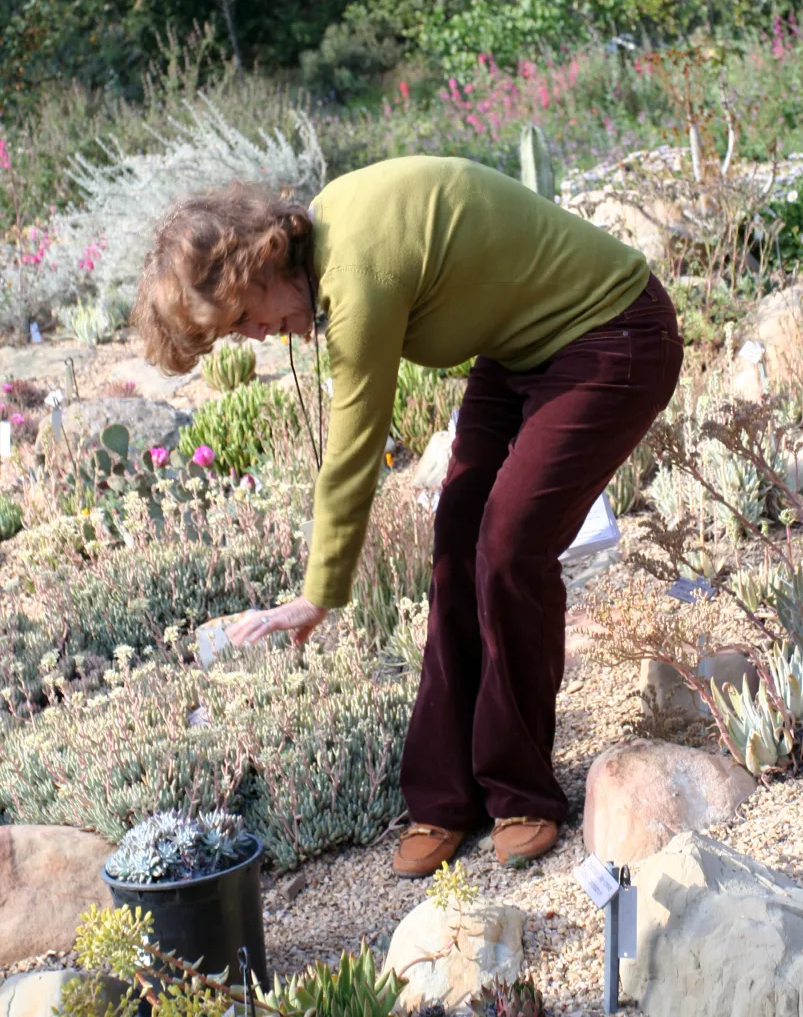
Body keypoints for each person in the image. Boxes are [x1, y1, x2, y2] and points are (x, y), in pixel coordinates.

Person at [132, 155, 683, 877]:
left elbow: (353, 449)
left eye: (242, 318)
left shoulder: (354, 276)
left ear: (260, 261)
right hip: (520, 350)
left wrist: (317, 595)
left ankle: (523, 792)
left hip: (613, 332)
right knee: (456, 543)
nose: (258, 338)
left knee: (509, 545)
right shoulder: (322, 250)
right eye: (235, 335)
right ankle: (445, 800)